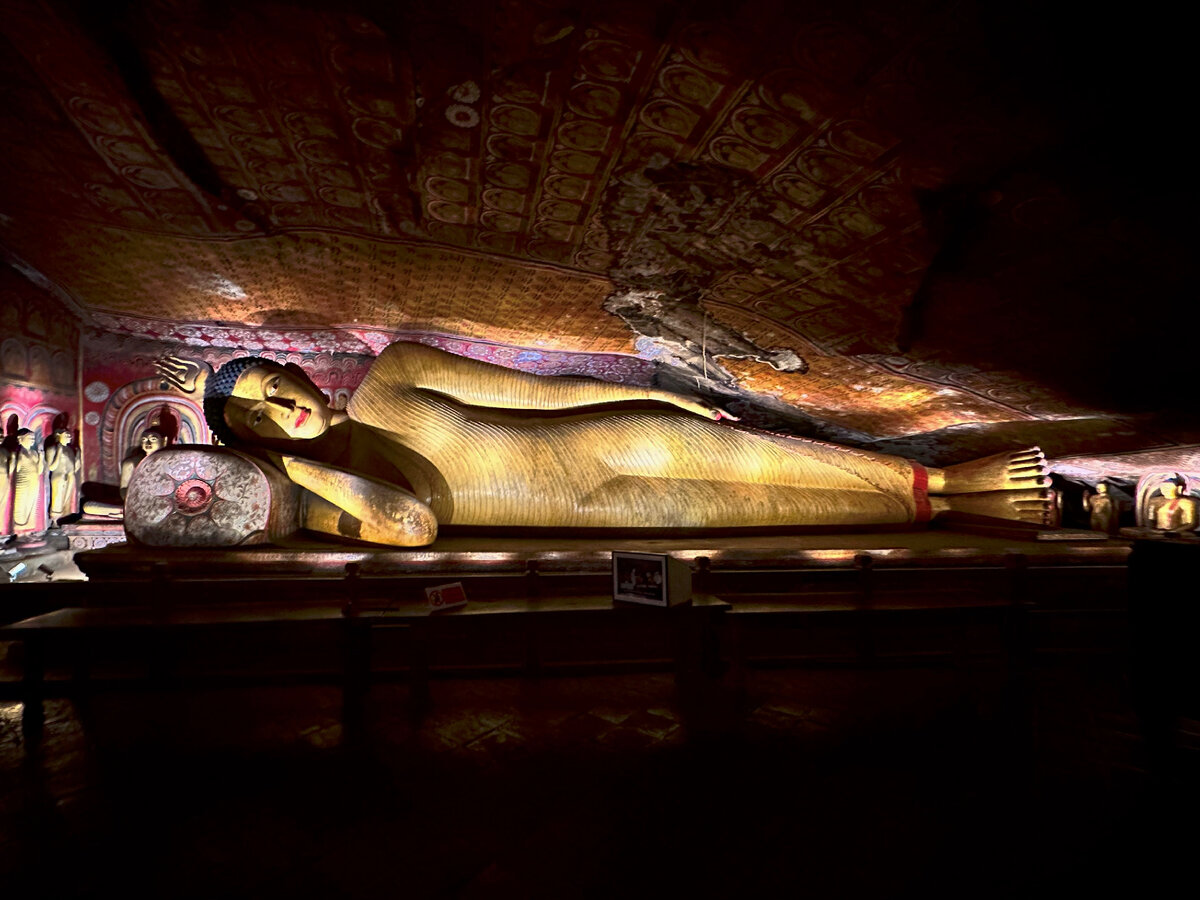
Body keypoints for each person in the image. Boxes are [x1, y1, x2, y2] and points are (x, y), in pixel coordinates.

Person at [154, 342, 1052, 548]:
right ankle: (944, 505)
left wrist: (658, 392)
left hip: (606, 439)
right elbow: (414, 528)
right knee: (780, 512)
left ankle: (944, 474)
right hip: (588, 508)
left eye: (284, 390)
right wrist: (295, 471)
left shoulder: (393, 374)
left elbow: (550, 392)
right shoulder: (327, 496)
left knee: (780, 461)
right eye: (263, 420)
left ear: (304, 374)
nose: (288, 412)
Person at [81, 426, 170, 519]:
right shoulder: (131, 463)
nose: (148, 443)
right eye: (144, 439)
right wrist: (137, 501)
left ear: (164, 441)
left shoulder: (170, 462)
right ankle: (131, 513)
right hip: (135, 504)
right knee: (88, 507)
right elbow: (124, 489)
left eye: (153, 439)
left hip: (160, 505)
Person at [45, 428, 81, 525]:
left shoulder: (70, 449)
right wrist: (59, 453)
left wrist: (78, 456)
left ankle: (64, 518)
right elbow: (51, 467)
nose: (69, 437)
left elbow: (75, 467)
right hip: (59, 476)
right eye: (66, 435)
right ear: (58, 436)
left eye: (69, 435)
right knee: (57, 499)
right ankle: (54, 520)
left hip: (70, 477)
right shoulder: (52, 448)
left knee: (67, 500)